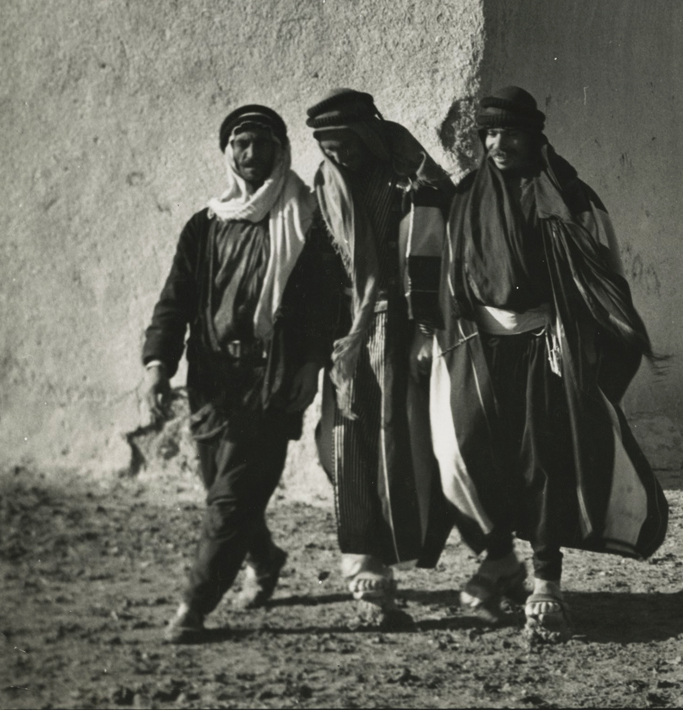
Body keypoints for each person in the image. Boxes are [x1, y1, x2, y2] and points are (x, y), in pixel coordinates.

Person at [430, 86, 667, 636]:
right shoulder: (466, 196)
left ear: (534, 136)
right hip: (480, 349)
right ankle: (498, 558)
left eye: (510, 133)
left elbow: (604, 274)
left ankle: (546, 582)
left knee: (543, 461)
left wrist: (585, 341)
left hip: (547, 347)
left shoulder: (568, 196)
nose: (499, 144)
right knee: (471, 451)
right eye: (490, 133)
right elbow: (452, 272)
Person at [140, 105, 339, 643]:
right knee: (222, 489)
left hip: (271, 378)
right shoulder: (206, 225)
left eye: (261, 143)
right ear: (228, 153)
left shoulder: (307, 220)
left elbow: (325, 305)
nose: (251, 154)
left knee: (231, 499)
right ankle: (266, 558)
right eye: (241, 144)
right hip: (212, 379)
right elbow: (175, 301)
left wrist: (311, 364)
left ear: (280, 150)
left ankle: (193, 607)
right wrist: (158, 365)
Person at [305, 88, 453, 628]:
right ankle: (364, 567)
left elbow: (432, 257)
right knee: (345, 443)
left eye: (346, 142)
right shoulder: (325, 184)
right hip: (348, 336)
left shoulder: (412, 179)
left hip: (402, 330)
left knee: (407, 449)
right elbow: (321, 266)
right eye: (328, 145)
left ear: (367, 134)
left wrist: (424, 332)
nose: (339, 154)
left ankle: (484, 562)